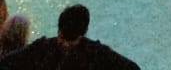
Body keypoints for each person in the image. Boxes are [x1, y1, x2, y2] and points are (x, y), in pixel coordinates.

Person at [0, 4, 139, 69]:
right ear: (83, 31)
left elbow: (6, 63)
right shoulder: (96, 53)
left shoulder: (42, 49)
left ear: (59, 28)